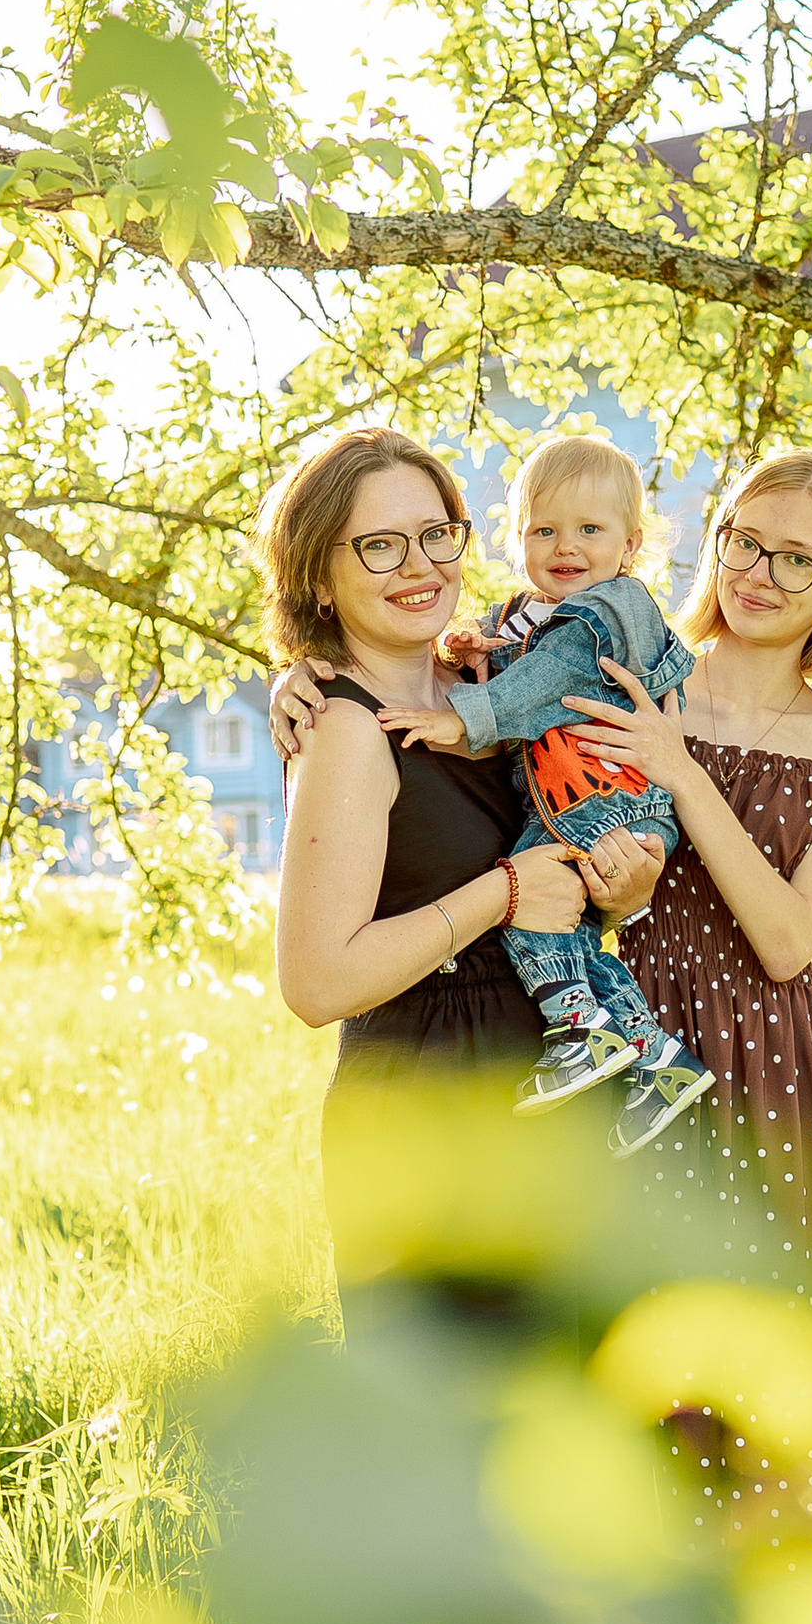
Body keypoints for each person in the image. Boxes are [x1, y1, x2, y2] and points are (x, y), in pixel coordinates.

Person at [275, 447, 812, 1521]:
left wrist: (628, 861)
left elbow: (712, 916)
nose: (760, 572)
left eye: (796, 560)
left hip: (683, 1070)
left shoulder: (530, 684)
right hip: (548, 1070)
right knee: (564, 1411)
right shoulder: (550, 675)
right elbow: (495, 846)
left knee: (759, 1377)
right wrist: (303, 676)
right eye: (743, 543)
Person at [262, 427, 644, 1265]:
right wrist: (504, 893)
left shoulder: (483, 685)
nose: (420, 566)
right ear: (318, 576)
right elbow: (317, 983)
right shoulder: (343, 728)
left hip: (540, 1088)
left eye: (438, 535)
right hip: (428, 1116)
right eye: (379, 546)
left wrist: (623, 883)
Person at [374, 435, 716, 1153]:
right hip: (578, 796)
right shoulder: (528, 613)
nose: (566, 546)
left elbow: (541, 681)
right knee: (574, 936)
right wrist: (472, 656)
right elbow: (507, 662)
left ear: (630, 545)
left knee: (529, 913)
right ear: (516, 537)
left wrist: (458, 717)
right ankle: (658, 1061)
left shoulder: (611, 609)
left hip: (610, 795)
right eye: (543, 530)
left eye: (590, 530)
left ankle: (576, 1035)